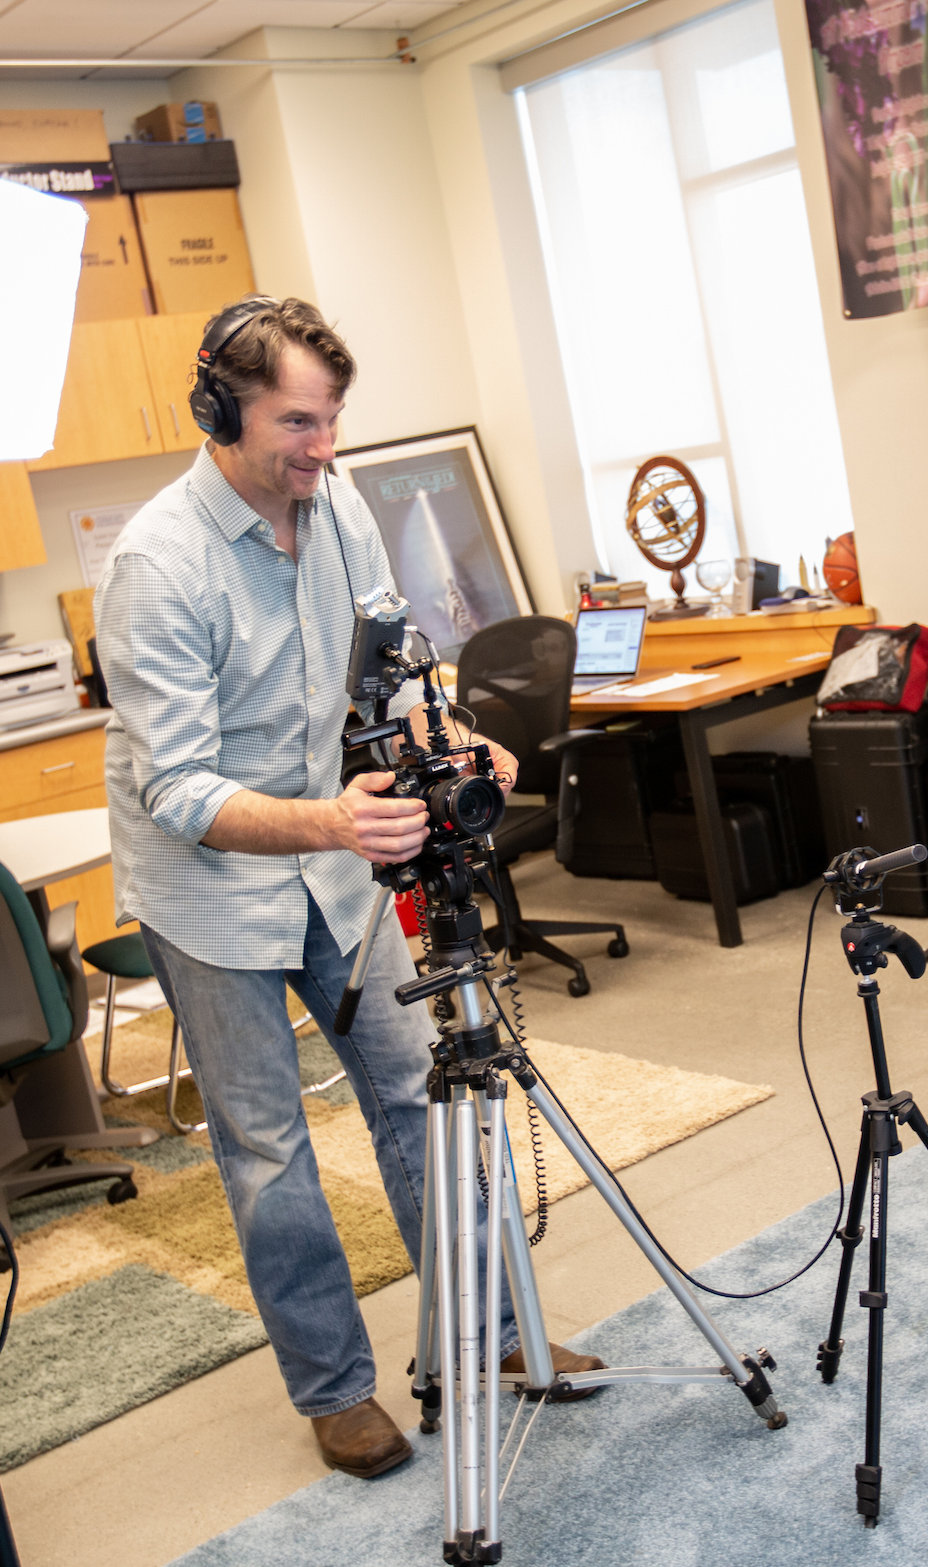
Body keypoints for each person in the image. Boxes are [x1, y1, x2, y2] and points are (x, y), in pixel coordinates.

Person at [96, 296, 599, 1482]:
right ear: (222, 411)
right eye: (299, 422)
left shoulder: (341, 508)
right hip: (207, 886)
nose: (325, 447)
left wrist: (451, 739)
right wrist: (333, 817)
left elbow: (393, 682)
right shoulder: (156, 566)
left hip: (338, 858)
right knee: (269, 1148)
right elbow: (176, 787)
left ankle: (498, 1335)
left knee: (417, 1095)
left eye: (333, 421)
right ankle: (334, 1390)